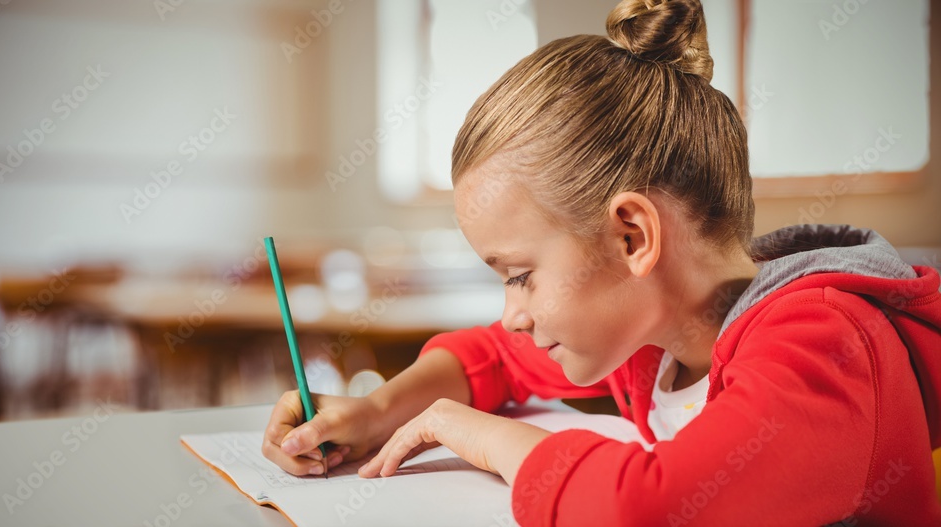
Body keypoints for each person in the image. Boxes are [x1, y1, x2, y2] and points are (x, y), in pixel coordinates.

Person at [261, 0, 941, 524]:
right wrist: (379, 409)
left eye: (520, 274)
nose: (513, 312)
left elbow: (646, 508)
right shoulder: (650, 343)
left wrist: (470, 431)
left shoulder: (823, 347)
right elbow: (495, 356)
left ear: (632, 237)